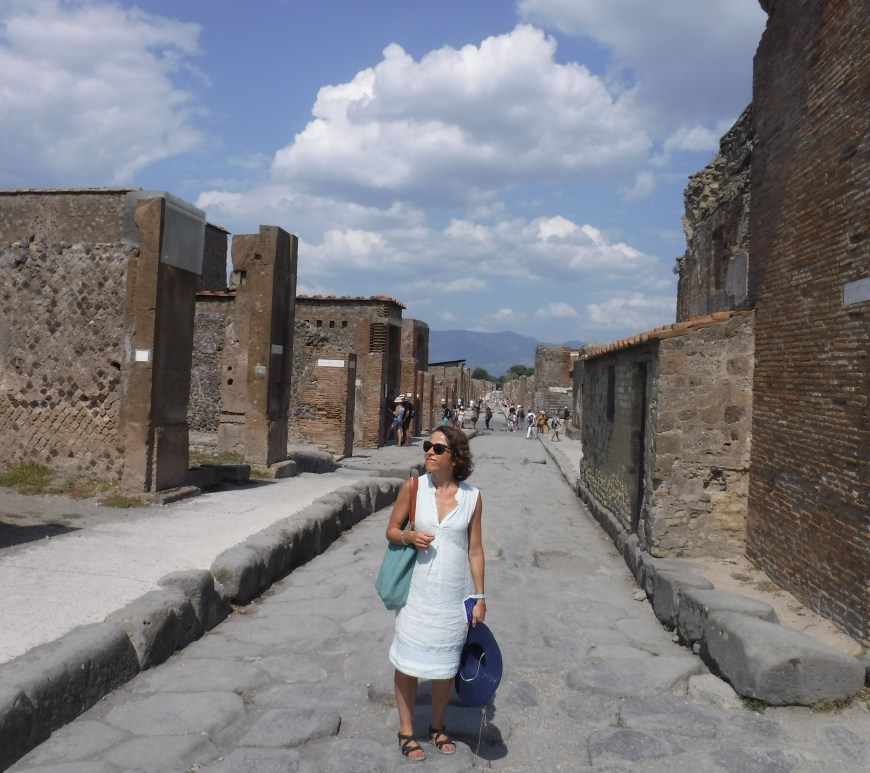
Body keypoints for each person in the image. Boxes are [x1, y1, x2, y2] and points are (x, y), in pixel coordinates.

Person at [385, 425, 486, 761]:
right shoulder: (414, 488)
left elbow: (475, 550)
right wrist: (409, 537)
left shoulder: (472, 497)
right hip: (417, 593)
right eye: (428, 445)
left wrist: (480, 597)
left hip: (453, 596)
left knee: (445, 665)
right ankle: (406, 730)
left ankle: (437, 725)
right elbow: (392, 530)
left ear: (455, 457)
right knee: (407, 663)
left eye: (438, 448)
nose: (429, 451)